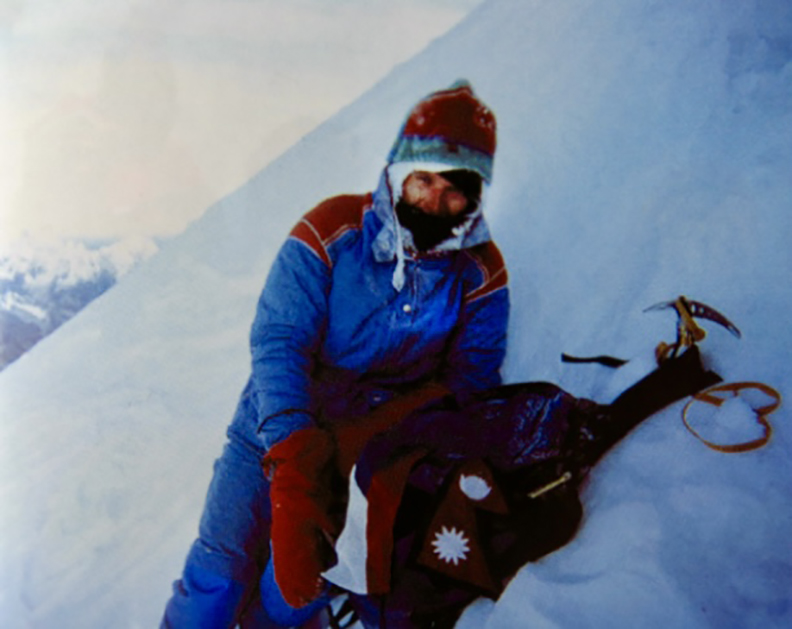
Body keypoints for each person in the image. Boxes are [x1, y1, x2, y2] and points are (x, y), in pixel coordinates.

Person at [161, 79, 509, 628]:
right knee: (218, 572)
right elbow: (280, 341)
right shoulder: (332, 231)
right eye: (424, 180)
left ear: (475, 195)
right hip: (271, 430)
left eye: (455, 189)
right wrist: (294, 460)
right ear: (399, 173)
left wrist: (372, 438)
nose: (434, 201)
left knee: (293, 594)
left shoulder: (480, 273)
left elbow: (472, 378)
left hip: (368, 460)